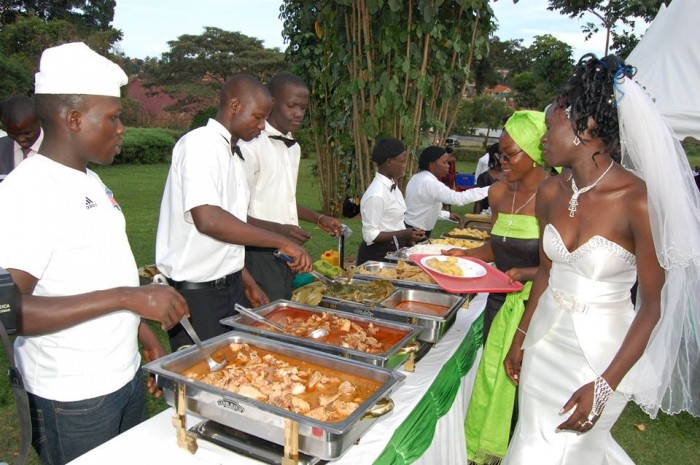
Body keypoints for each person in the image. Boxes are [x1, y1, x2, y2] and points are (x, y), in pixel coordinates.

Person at [503, 54, 700, 464]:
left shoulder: (638, 202)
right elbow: (546, 274)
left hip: (603, 359)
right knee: (528, 446)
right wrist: (520, 339)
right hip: (543, 347)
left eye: (550, 124)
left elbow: (652, 306)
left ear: (585, 128)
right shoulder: (551, 193)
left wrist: (606, 384)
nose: (542, 137)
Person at [0, 42, 189, 465]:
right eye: (113, 117)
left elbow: (97, 272)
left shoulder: (86, 180)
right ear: (73, 119)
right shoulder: (28, 192)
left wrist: (140, 332)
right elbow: (9, 312)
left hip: (120, 377)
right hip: (73, 399)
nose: (122, 127)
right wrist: (129, 298)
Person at [156, 73, 313, 351]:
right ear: (235, 105)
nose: (263, 126)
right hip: (197, 293)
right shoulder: (200, 144)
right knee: (206, 379)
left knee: (234, 368)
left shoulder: (232, 152)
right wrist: (280, 240)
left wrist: (247, 282)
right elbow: (209, 220)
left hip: (229, 285)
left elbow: (232, 227)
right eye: (257, 117)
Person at [443, 111, 549, 464]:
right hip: (498, 301)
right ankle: (490, 448)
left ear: (535, 152)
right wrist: (466, 253)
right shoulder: (500, 193)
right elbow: (495, 244)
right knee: (494, 375)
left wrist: (527, 272)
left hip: (537, 307)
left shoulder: (556, 196)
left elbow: (562, 264)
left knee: (524, 388)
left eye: (510, 154)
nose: (501, 162)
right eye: (499, 154)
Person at [239, 71, 341, 300]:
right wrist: (280, 230)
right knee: (268, 312)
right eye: (291, 106)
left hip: (287, 248)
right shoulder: (250, 145)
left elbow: (284, 199)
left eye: (303, 108)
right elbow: (236, 213)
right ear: (271, 102)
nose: (298, 113)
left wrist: (318, 218)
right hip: (257, 250)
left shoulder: (293, 148)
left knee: (284, 302)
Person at [356, 138, 425, 265]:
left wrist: (409, 238)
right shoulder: (376, 194)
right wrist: (404, 233)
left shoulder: (392, 185)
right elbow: (370, 235)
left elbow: (393, 222)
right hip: (377, 256)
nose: (405, 166)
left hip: (393, 250)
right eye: (402, 161)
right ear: (389, 162)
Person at [404, 145, 489, 236]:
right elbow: (458, 198)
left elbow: (422, 208)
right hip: (416, 232)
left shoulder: (417, 177)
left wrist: (447, 215)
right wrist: (490, 189)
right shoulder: (431, 183)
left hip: (409, 227)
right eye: (444, 163)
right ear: (432, 164)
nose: (448, 166)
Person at [0, 95, 43, 180]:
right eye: (12, 133)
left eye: (27, 133)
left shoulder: (60, 149)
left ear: (39, 121)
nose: (20, 139)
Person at [473, 142, 505, 214]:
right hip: (486, 217)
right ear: (495, 156)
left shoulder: (511, 176)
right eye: (504, 154)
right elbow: (478, 202)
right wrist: (475, 221)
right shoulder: (484, 177)